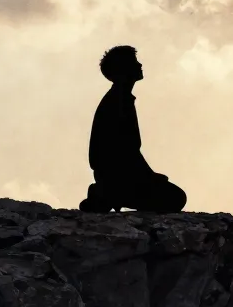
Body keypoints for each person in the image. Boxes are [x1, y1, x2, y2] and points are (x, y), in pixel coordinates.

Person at [79, 45, 188, 213]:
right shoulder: (118, 101)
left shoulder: (120, 98)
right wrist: (148, 177)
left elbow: (129, 149)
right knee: (175, 198)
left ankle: (108, 194)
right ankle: (108, 193)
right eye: (134, 62)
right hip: (118, 175)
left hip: (120, 173)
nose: (140, 65)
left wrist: (150, 176)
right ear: (123, 69)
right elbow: (126, 150)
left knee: (173, 195)